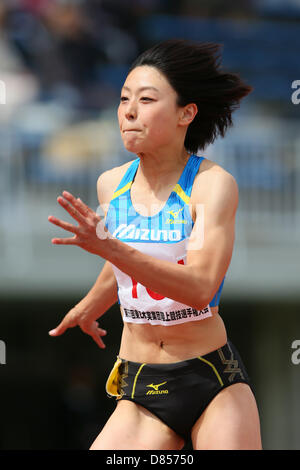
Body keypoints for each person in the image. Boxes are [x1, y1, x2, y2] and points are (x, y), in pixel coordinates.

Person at [48, 39, 262, 450]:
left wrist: (109, 247)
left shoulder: (210, 186)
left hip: (211, 383)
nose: (128, 111)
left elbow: (200, 286)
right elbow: (131, 260)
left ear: (186, 113)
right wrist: (93, 302)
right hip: (141, 384)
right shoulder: (112, 184)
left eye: (146, 99)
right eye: (124, 98)